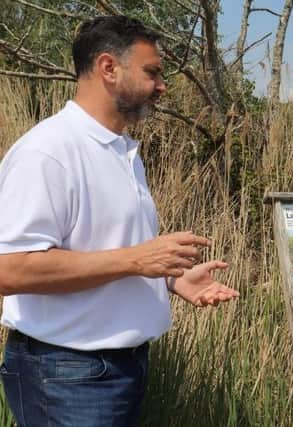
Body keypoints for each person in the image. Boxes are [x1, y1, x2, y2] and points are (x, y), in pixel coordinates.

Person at [0, 16, 239, 426]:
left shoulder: (122, 151)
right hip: (66, 375)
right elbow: (10, 269)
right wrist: (137, 260)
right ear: (108, 68)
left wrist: (171, 278)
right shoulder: (48, 152)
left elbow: (108, 249)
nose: (162, 86)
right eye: (152, 72)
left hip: (120, 369)